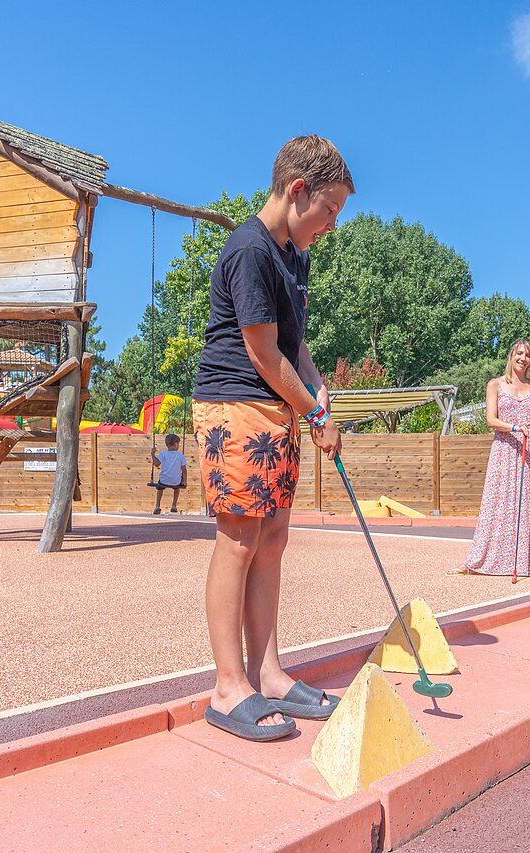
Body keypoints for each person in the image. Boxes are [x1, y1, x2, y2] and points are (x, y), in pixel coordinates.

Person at [191, 135, 352, 742]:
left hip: (277, 407)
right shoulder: (250, 249)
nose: (332, 224)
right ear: (298, 191)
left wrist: (316, 391)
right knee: (239, 539)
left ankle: (269, 672)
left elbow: (292, 345)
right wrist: (314, 413)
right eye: (330, 209)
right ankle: (228, 687)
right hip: (234, 404)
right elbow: (259, 351)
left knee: (274, 536)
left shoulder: (294, 256)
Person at [454, 339, 530, 577]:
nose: (523, 358)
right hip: (505, 451)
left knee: (529, 504)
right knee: (500, 504)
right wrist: (515, 427)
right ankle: (491, 558)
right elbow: (491, 420)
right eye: (519, 353)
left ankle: (529, 561)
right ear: (511, 356)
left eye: (528, 355)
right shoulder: (495, 385)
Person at [150, 434, 188, 514]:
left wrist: (153, 455)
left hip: (164, 480)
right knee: (177, 489)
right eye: (178, 444)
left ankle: (157, 506)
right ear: (175, 444)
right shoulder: (180, 455)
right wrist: (184, 481)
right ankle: (174, 505)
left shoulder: (163, 454)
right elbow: (184, 469)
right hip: (175, 481)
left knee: (160, 488)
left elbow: (156, 464)